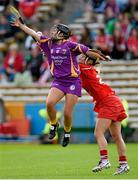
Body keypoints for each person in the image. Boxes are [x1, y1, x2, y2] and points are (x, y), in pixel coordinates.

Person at [9, 10, 108, 147]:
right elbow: (33, 34)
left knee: (67, 113)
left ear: (62, 34)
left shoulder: (71, 45)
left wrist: (101, 56)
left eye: (56, 31)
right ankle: (54, 124)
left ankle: (67, 132)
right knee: (49, 103)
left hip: (73, 81)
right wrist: (21, 26)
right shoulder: (48, 43)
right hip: (59, 81)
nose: (52, 32)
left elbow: (88, 51)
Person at [79, 54, 130, 175]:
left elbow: (68, 62)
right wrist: (101, 56)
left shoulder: (83, 67)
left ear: (88, 61)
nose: (79, 58)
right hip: (113, 100)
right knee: (117, 136)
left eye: (82, 57)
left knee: (98, 132)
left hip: (107, 102)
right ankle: (124, 164)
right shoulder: (89, 69)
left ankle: (104, 160)